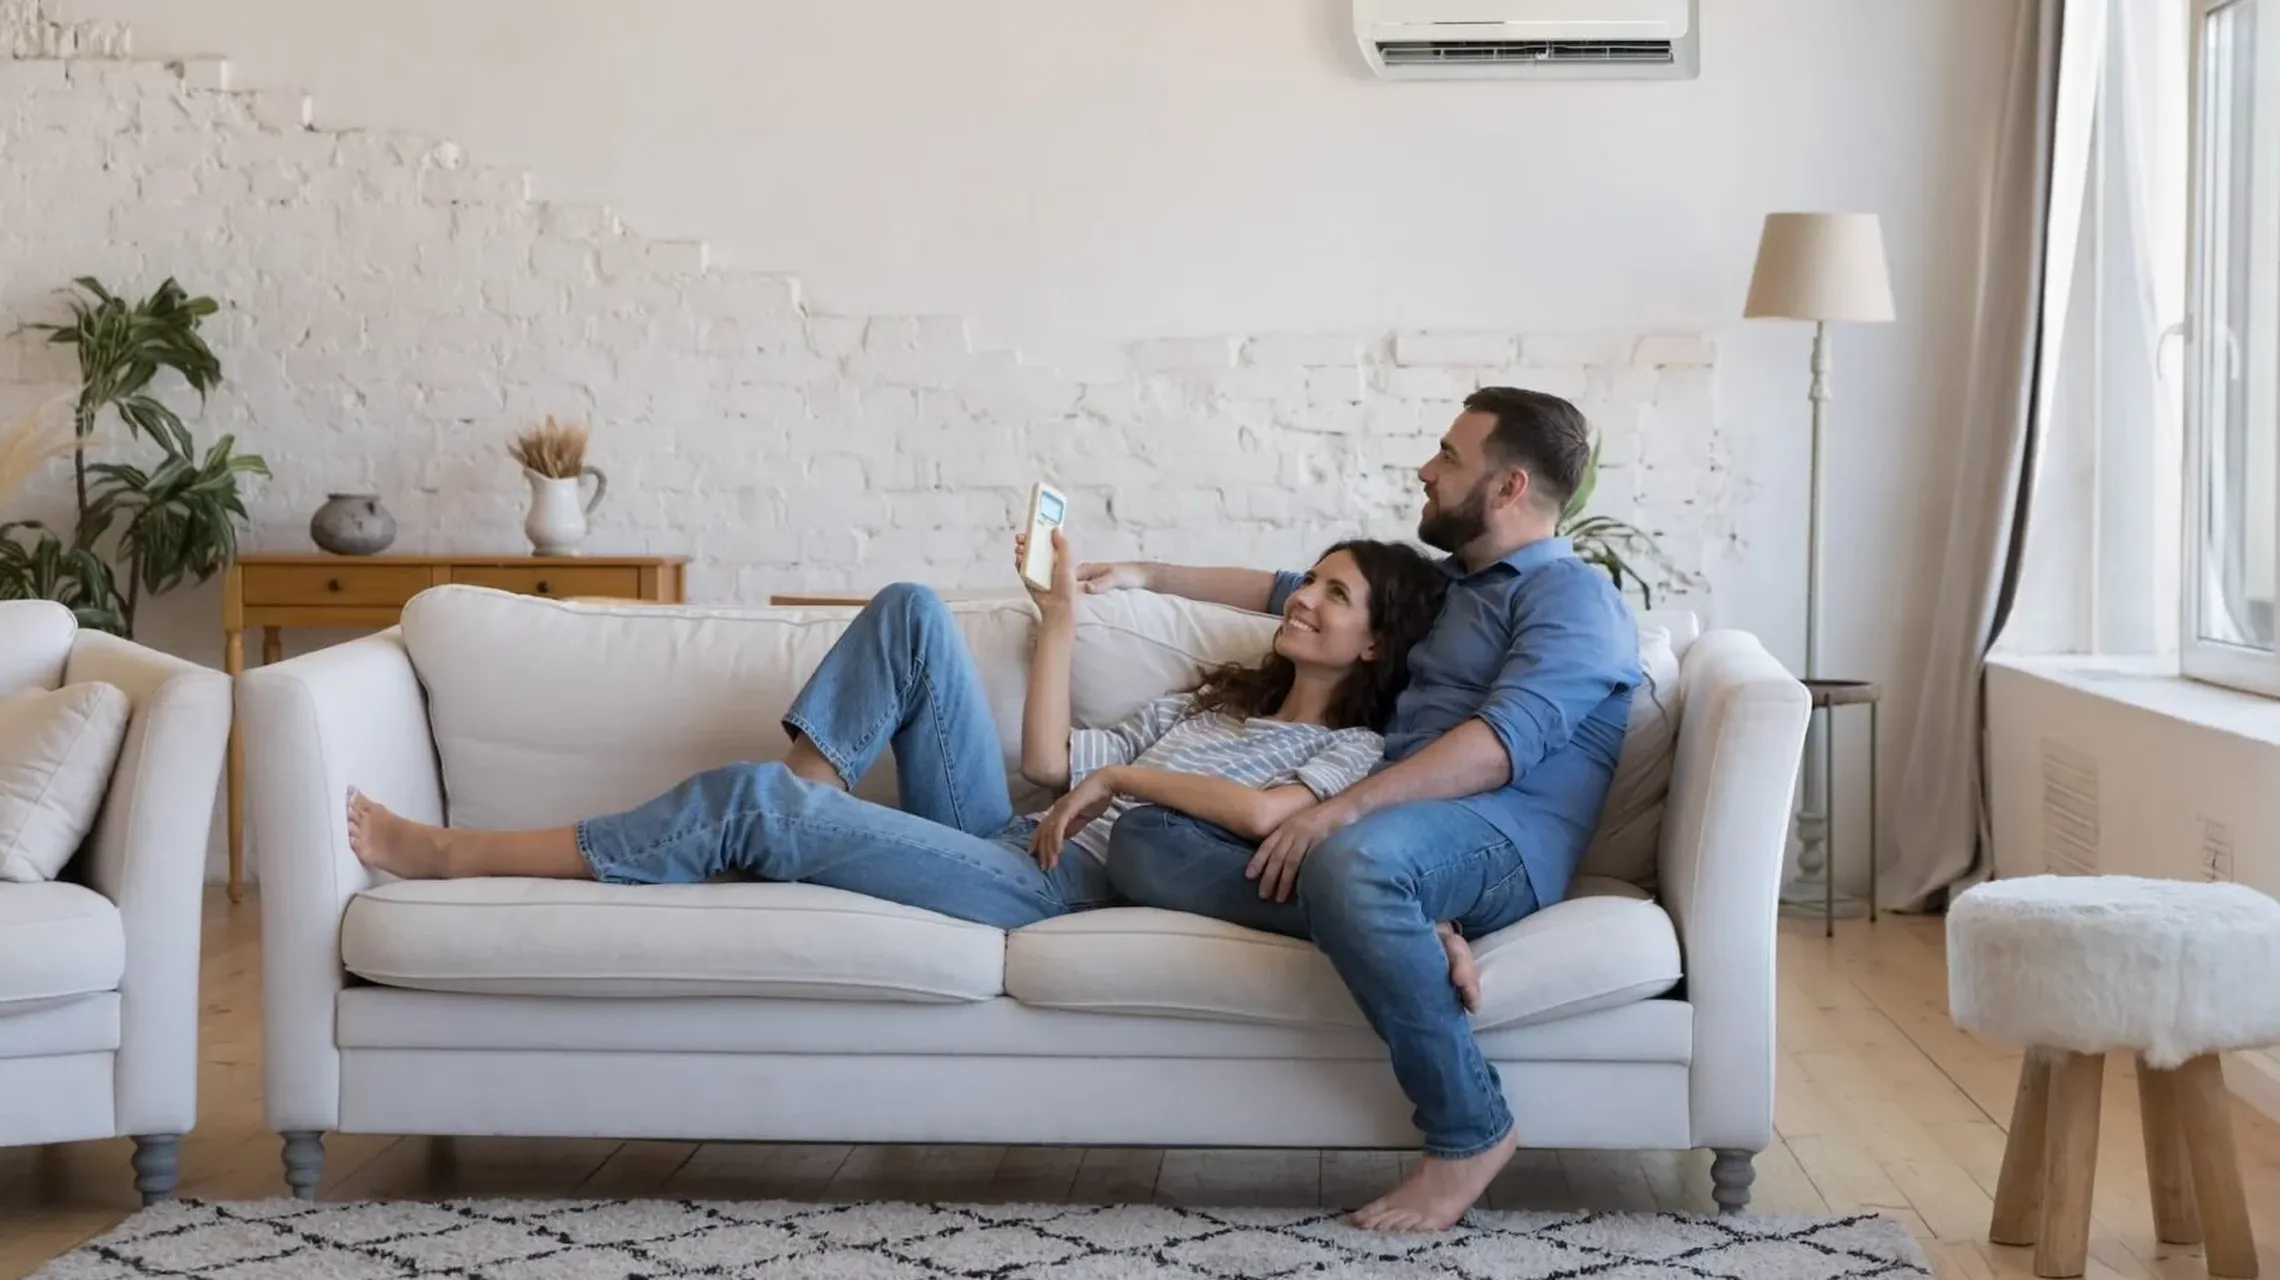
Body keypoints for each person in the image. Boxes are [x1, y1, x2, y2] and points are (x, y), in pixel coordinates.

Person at [1080, 386, 1641, 1232]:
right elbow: (1285, 590)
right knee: (1148, 837)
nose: (1426, 469)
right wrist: (1144, 573)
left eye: (1450, 457)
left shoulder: (1571, 595)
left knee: (1354, 861)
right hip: (1401, 834)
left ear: (1509, 487)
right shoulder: (1449, 586)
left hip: (1503, 833)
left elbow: (1500, 745)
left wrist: (1340, 813)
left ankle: (1471, 1131)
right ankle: (1409, 925)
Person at [344, 528, 1451, 935]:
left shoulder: (1350, 753)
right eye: (1307, 584)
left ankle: (450, 851)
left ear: (1371, 645)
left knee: (750, 803)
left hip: (1065, 884)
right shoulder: (1218, 701)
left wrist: (1137, 787)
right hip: (1012, 832)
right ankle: (791, 815)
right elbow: (1049, 765)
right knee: (913, 609)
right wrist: (1061, 617)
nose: (1302, 599)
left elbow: (1266, 817)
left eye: (1334, 595)